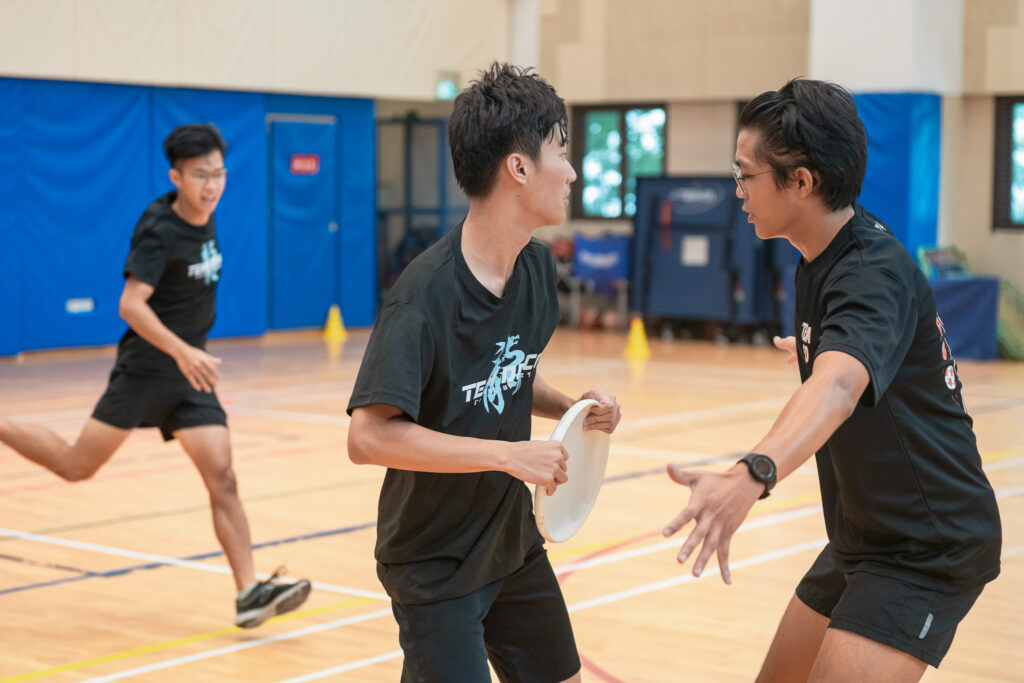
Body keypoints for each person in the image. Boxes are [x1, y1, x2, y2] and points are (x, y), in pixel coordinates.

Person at [663, 79, 1002, 682]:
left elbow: (839, 388)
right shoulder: (824, 251)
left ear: (801, 181)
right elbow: (856, 358)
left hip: (926, 548)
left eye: (746, 175)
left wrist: (752, 474)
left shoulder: (871, 271)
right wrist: (824, 347)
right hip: (862, 537)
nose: (737, 191)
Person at [346, 63, 621, 682]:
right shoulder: (423, 296)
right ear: (518, 168)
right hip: (435, 562)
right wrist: (508, 457)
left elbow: (506, 377)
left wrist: (573, 409)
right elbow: (367, 437)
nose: (572, 170)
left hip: (511, 542)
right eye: (561, 151)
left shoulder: (536, 271)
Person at [0, 124, 311, 628]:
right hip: (147, 370)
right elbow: (130, 305)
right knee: (76, 465)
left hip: (191, 374)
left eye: (218, 174)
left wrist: (190, 357)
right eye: (199, 176)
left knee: (223, 477)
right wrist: (182, 351)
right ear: (176, 176)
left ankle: (248, 591)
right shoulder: (159, 229)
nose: (211, 186)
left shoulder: (205, 217)